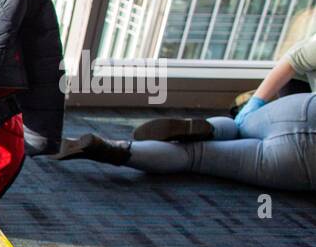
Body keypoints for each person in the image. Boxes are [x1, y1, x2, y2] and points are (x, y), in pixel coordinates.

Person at [55, 33, 316, 191]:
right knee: (194, 156)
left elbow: (293, 60)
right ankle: (117, 149)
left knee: (239, 126)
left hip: (299, 110)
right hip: (298, 162)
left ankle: (213, 127)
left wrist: (256, 104)